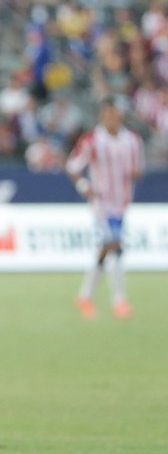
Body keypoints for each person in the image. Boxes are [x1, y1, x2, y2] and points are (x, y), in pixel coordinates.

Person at [65, 98, 145, 319]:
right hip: (101, 203)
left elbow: (138, 169)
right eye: (107, 113)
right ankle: (119, 300)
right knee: (115, 245)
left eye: (115, 113)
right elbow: (73, 166)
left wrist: (133, 174)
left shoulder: (133, 140)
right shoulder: (92, 140)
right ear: (102, 116)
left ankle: (85, 296)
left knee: (105, 249)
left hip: (122, 202)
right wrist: (84, 186)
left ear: (121, 114)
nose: (111, 118)